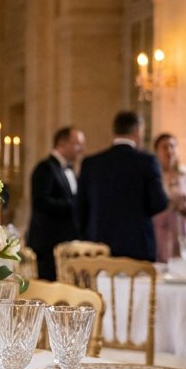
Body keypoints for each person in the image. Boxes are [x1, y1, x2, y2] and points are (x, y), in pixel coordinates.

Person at [76, 111, 169, 262]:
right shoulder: (147, 161)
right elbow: (158, 203)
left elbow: (80, 208)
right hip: (137, 245)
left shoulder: (91, 163)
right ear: (137, 131)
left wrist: (86, 238)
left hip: (98, 246)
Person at [26, 126, 85, 280]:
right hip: (48, 244)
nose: (81, 149)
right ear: (62, 143)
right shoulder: (45, 168)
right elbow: (41, 201)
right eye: (77, 144)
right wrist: (74, 206)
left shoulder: (69, 170)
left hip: (65, 243)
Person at [152, 133, 186, 262]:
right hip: (158, 230)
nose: (169, 151)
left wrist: (184, 207)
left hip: (180, 228)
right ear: (157, 151)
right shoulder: (153, 175)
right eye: (164, 147)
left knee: (181, 264)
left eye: (172, 146)